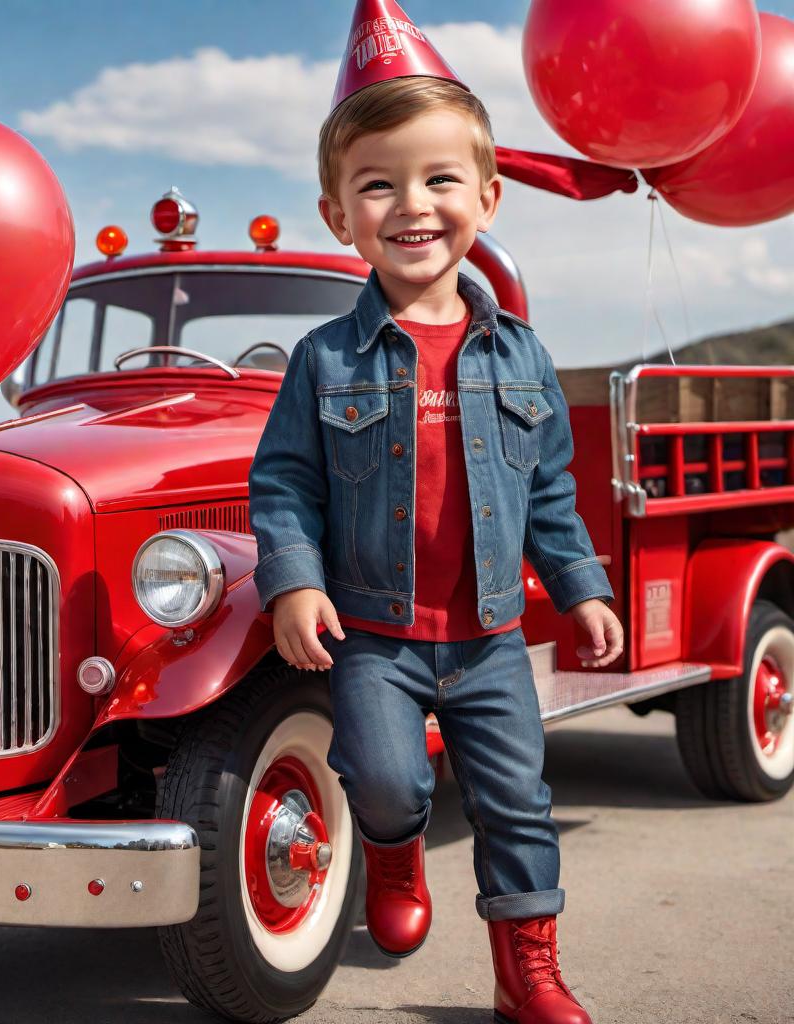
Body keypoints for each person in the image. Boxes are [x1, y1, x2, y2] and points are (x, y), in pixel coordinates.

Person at [248, 1, 624, 1021]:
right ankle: (392, 855)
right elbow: (283, 482)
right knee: (382, 778)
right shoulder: (324, 360)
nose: (410, 204)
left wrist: (582, 587)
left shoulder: (522, 358)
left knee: (516, 804)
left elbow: (548, 484)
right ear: (339, 215)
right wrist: (294, 580)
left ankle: (526, 972)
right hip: (374, 634)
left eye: (439, 178)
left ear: (488, 196)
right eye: (377, 183)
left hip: (490, 636)